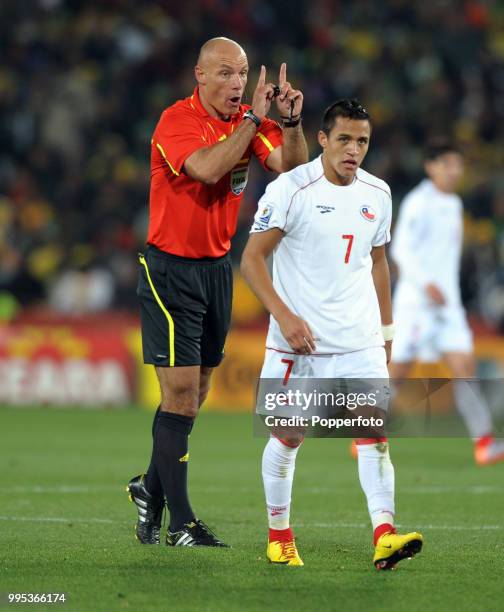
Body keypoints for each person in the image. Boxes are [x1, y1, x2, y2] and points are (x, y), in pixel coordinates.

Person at [126, 37, 308, 547]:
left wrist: (290, 123)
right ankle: (180, 522)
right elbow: (205, 170)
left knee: (197, 394)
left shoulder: (250, 123)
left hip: (214, 270)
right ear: (199, 76)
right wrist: (252, 121)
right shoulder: (176, 121)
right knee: (181, 394)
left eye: (244, 73)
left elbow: (290, 166)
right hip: (170, 271)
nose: (236, 82)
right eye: (226, 73)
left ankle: (149, 487)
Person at [241, 99, 422, 569]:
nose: (353, 150)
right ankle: (279, 533)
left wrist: (385, 330)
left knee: (374, 434)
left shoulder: (377, 193)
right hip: (299, 343)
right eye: (344, 139)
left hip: (358, 338)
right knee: (289, 436)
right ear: (322, 139)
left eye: (362, 141)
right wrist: (284, 316)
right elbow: (252, 260)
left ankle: (385, 533)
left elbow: (378, 263)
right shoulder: (292, 189)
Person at [390, 140, 504, 465]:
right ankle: (367, 433)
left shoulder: (453, 203)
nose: (454, 171)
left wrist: (448, 294)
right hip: (416, 304)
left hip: (448, 307)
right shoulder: (418, 202)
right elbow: (401, 250)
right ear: (431, 166)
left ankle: (484, 442)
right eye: (447, 164)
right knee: (397, 372)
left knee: (464, 368)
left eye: (458, 165)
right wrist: (427, 284)